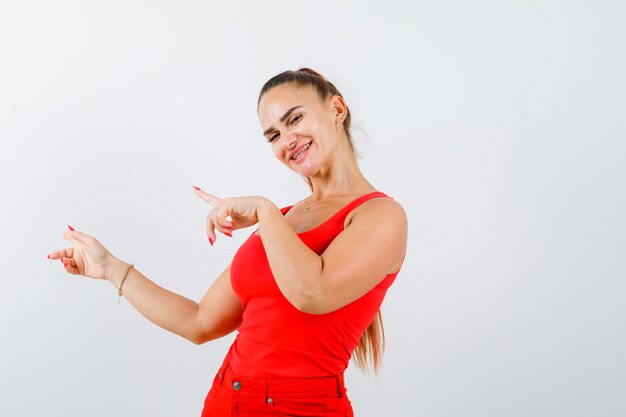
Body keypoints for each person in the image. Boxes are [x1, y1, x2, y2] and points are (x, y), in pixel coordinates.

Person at [48, 68, 408, 416]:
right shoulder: (283, 219)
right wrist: (111, 267)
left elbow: (312, 293)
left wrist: (265, 211)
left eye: (294, 119)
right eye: (273, 136)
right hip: (225, 402)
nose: (287, 141)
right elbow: (199, 322)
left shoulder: (380, 215)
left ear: (337, 110)